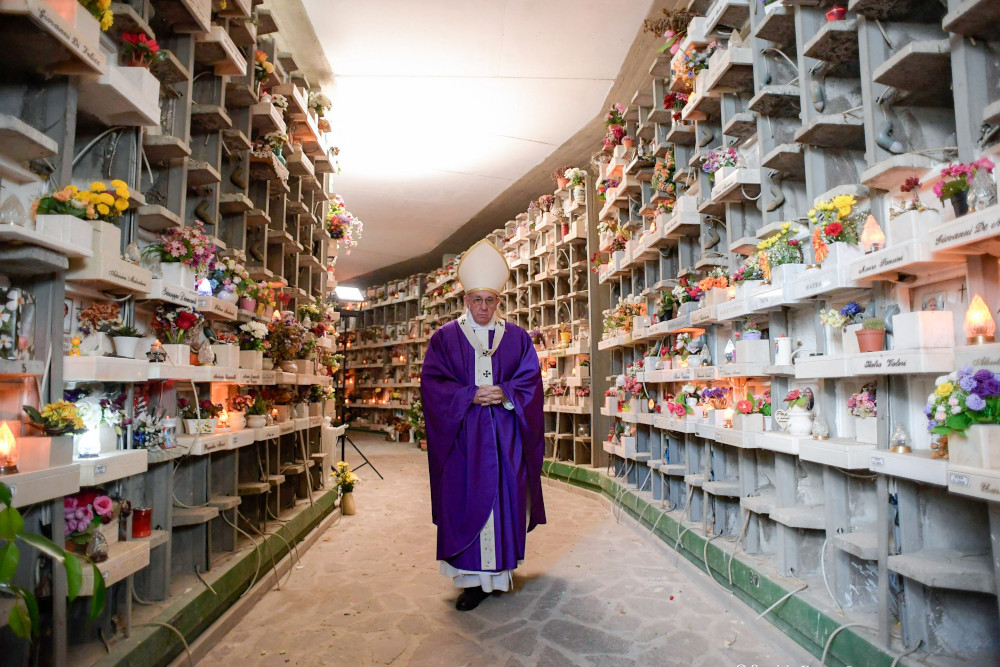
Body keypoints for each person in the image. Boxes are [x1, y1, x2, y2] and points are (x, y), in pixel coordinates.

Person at [420, 239, 546, 611]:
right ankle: (472, 582)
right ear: (465, 301)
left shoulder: (518, 337)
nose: (483, 307)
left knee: (503, 499)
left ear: (498, 302)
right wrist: (469, 396)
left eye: (490, 300)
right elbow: (433, 384)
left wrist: (505, 392)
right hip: (464, 438)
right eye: (476, 300)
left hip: (506, 437)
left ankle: (499, 574)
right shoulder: (445, 338)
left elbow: (530, 382)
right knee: (466, 500)